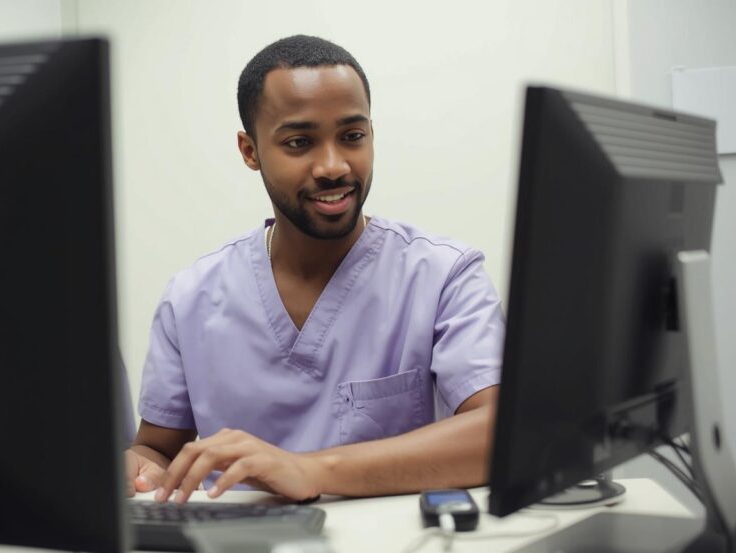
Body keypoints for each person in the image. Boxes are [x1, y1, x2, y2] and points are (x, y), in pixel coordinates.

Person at [124, 35, 504, 504]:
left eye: (352, 136)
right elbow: (158, 449)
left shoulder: (444, 275)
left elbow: (500, 434)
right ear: (250, 151)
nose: (333, 166)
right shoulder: (190, 298)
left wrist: (309, 471)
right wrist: (140, 467)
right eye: (300, 142)